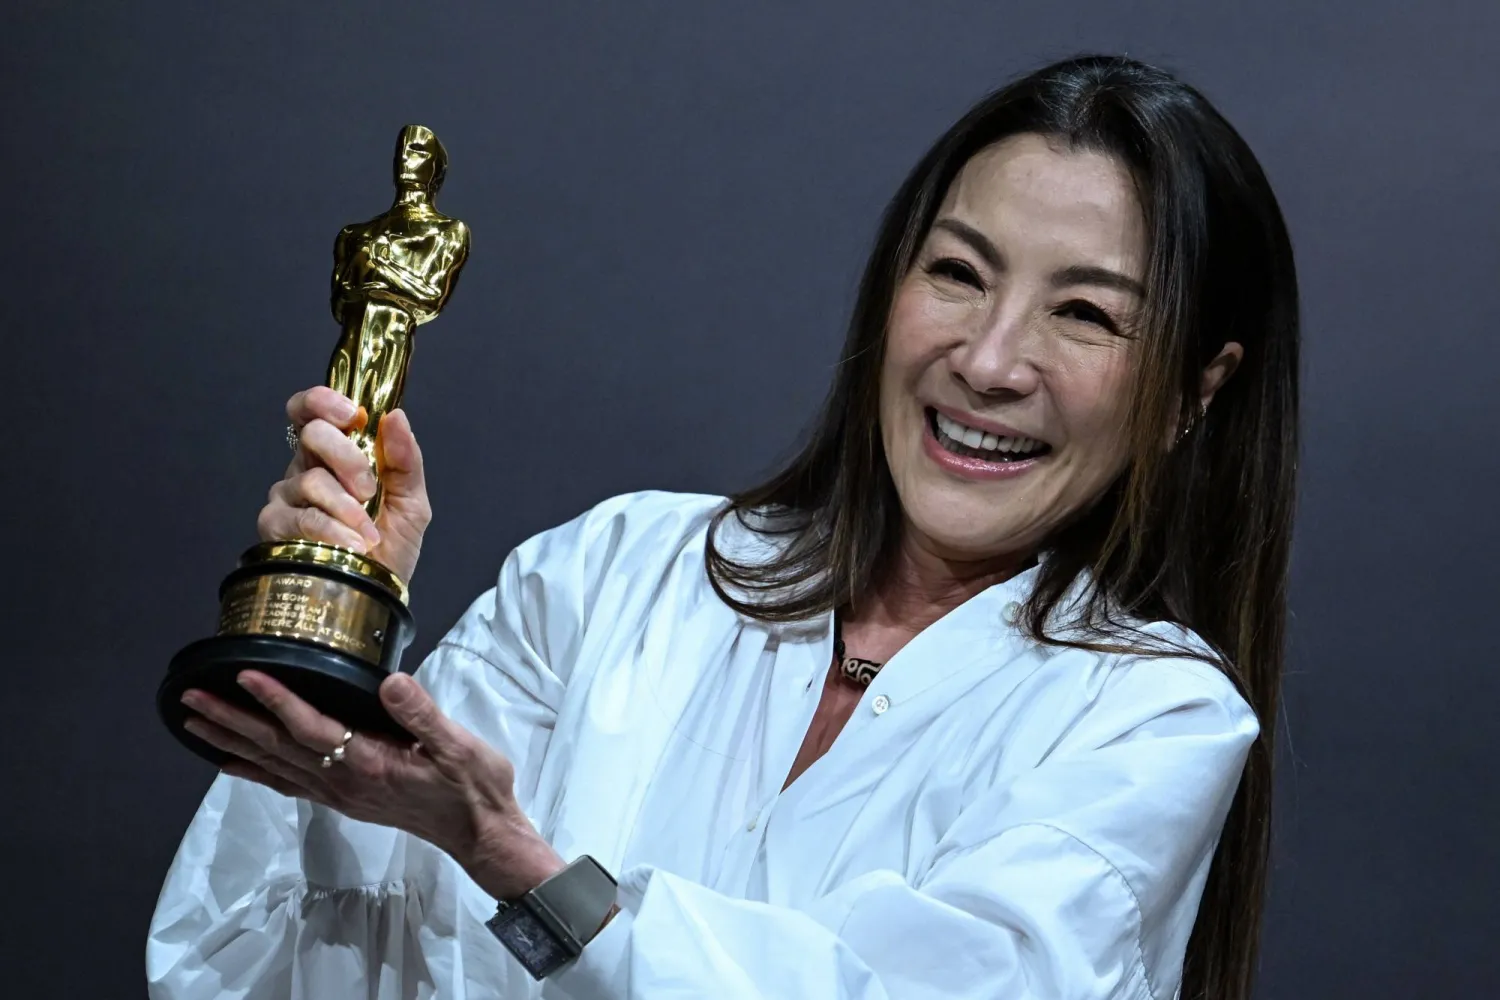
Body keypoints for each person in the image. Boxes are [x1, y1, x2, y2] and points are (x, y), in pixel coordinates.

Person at [147, 54, 1298, 1000]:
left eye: (1086, 313)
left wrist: (518, 864)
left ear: (1197, 393)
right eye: (958, 273)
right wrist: (343, 647)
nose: (989, 361)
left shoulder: (1152, 718)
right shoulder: (614, 571)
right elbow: (271, 967)